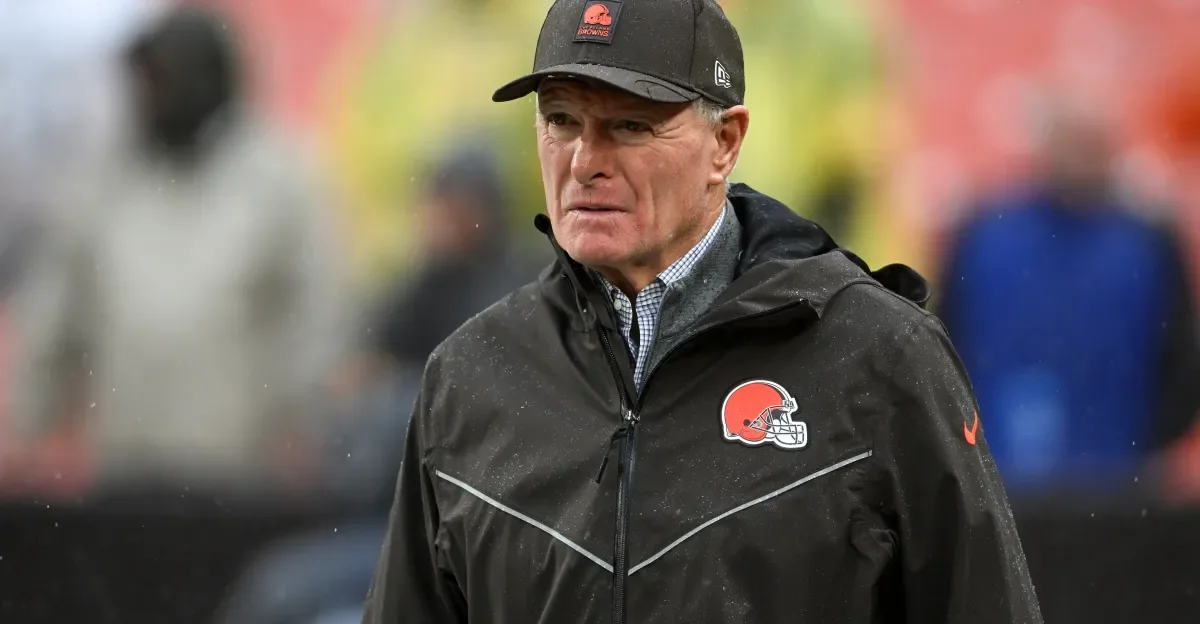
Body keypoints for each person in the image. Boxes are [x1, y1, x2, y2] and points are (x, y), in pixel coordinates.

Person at [363, 1, 1042, 622]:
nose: (584, 161)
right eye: (561, 120)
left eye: (630, 125)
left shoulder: (880, 357)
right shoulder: (468, 376)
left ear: (725, 143)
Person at [4, 7, 347, 497]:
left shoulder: (278, 179)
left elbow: (317, 313)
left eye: (165, 80)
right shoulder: (106, 182)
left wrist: (304, 423)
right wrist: (30, 424)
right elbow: (56, 311)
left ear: (207, 79)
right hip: (125, 463)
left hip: (239, 471)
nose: (150, 96)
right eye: (146, 81)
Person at [938, 104, 1200, 493]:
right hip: (1001, 483)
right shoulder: (983, 235)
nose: (1082, 154)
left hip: (1117, 487)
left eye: (1092, 142)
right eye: (1074, 140)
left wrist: (1143, 450)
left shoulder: (1148, 243)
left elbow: (1181, 365)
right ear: (1046, 145)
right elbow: (943, 347)